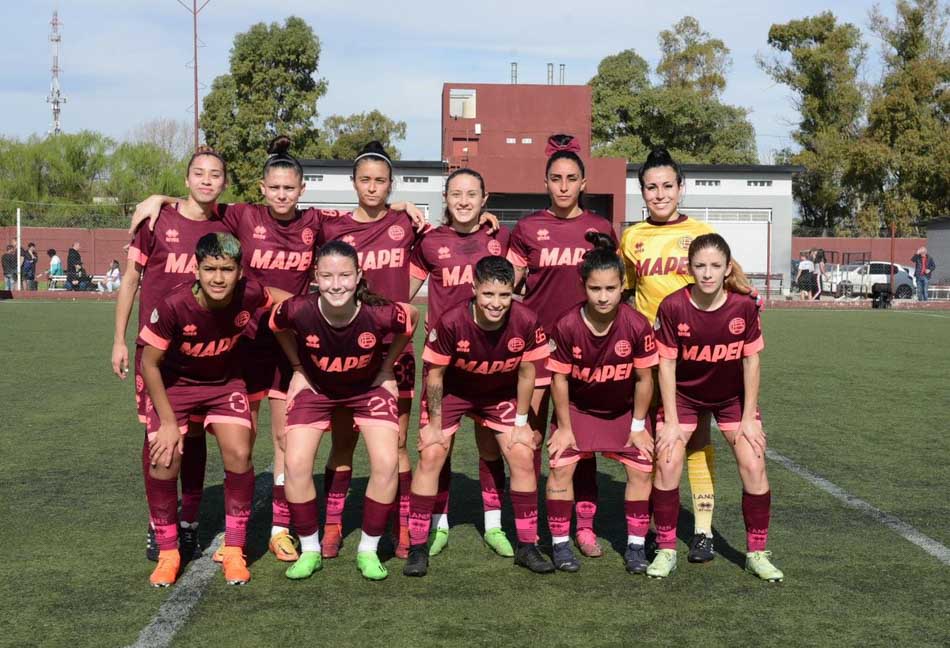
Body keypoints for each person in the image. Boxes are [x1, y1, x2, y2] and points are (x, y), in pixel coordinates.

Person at [132, 137, 427, 565]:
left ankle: (279, 529)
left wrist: (401, 206)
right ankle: (213, 524)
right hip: (248, 342)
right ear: (262, 188)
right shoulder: (241, 216)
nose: (283, 194)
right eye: (275, 187)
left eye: (291, 188)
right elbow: (203, 201)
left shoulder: (317, 222)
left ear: (302, 190)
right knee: (243, 438)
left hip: (297, 341)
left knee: (285, 437)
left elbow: (359, 219)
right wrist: (163, 197)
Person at [621, 147, 756, 564]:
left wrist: (751, 297)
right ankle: (640, 534)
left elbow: (735, 281)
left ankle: (701, 531)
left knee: (696, 443)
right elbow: (625, 293)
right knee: (650, 447)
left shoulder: (700, 233)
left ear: (681, 189)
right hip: (649, 359)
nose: (659, 194)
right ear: (641, 192)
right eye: (650, 187)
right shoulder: (631, 238)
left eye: (667, 186)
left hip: (695, 362)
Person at [139, 232, 290, 587]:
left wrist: (312, 312)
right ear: (196, 269)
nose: (218, 278)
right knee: (164, 457)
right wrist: (165, 423)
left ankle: (235, 549)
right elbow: (149, 364)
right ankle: (168, 552)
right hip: (175, 386)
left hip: (224, 384)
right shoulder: (174, 305)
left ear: (240, 272)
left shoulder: (249, 293)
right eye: (210, 269)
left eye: (226, 269)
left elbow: (282, 299)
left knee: (240, 452)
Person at [270, 240, 419, 581]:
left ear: (359, 277)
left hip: (367, 391)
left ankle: (368, 549)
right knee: (294, 465)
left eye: (345, 276)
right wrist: (297, 367)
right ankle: (310, 550)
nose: (336, 284)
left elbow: (412, 316)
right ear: (315, 277)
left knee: (385, 462)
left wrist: (386, 368)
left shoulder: (379, 313)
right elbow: (275, 326)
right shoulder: (297, 309)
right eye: (327, 276)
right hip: (318, 391)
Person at [115, 146, 232, 563]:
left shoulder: (227, 223)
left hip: (204, 352)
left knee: (196, 434)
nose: (206, 180)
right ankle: (157, 522)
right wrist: (117, 339)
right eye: (198, 173)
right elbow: (131, 280)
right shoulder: (156, 220)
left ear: (224, 182)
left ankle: (190, 521)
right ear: (186, 180)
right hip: (157, 351)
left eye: (214, 174)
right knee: (157, 436)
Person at [404, 255, 554, 577]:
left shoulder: (526, 320)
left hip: (499, 393)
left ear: (513, 291)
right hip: (454, 392)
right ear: (474, 289)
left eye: (504, 295)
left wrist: (521, 423)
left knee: (522, 454)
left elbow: (528, 372)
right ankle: (417, 547)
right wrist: (433, 426)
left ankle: (527, 546)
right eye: (488, 294)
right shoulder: (451, 321)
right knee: (432, 454)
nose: (496, 303)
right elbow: (435, 376)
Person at [647, 233, 782, 582]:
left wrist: (750, 418)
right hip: (684, 397)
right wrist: (672, 422)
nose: (707, 273)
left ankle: (756, 553)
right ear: (689, 268)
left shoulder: (743, 307)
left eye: (715, 266)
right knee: (667, 461)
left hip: (731, 398)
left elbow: (752, 362)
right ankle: (665, 549)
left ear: (727, 268)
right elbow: (666, 366)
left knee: (753, 462)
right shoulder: (673, 306)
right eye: (700, 266)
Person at [506, 134, 617, 558]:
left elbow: (612, 285)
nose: (564, 186)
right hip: (538, 352)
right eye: (556, 178)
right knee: (530, 440)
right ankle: (532, 530)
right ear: (546, 182)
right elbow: (510, 284)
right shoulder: (529, 229)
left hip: (587, 353)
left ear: (584, 182)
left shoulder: (601, 228)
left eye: (572, 178)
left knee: (581, 445)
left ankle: (583, 529)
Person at [406, 168, 512, 558]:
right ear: (446, 198)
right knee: (437, 448)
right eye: (456, 194)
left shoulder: (501, 237)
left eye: (472, 194)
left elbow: (523, 288)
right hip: (443, 365)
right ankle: (438, 523)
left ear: (485, 200)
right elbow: (404, 291)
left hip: (495, 362)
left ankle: (495, 524)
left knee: (490, 444)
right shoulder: (430, 241)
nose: (464, 201)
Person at [545, 233, 658, 573]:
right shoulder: (566, 325)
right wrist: (564, 428)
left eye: (610, 289)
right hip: (579, 410)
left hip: (624, 413)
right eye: (595, 289)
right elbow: (559, 380)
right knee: (560, 468)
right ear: (584, 287)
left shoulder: (636, 325)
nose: (603, 296)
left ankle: (636, 547)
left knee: (642, 469)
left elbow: (644, 379)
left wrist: (638, 427)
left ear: (623, 285)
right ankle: (561, 544)